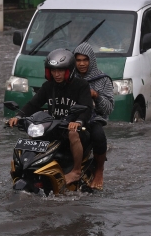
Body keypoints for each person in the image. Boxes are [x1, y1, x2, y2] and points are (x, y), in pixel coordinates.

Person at [8, 49, 93, 185]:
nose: (56, 74)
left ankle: (76, 171)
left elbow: (87, 108)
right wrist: (18, 117)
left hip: (75, 129)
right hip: (54, 127)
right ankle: (29, 168)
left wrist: (78, 121)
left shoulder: (81, 86)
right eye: (53, 71)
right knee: (33, 134)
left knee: (73, 134)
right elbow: (33, 104)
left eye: (60, 71)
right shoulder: (48, 86)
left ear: (69, 71)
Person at [73, 42, 113, 191]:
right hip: (70, 117)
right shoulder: (68, 77)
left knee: (99, 135)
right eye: (78, 60)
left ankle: (99, 170)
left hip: (92, 119)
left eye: (85, 60)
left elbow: (108, 109)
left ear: (91, 61)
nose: (82, 64)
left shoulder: (103, 80)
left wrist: (96, 96)